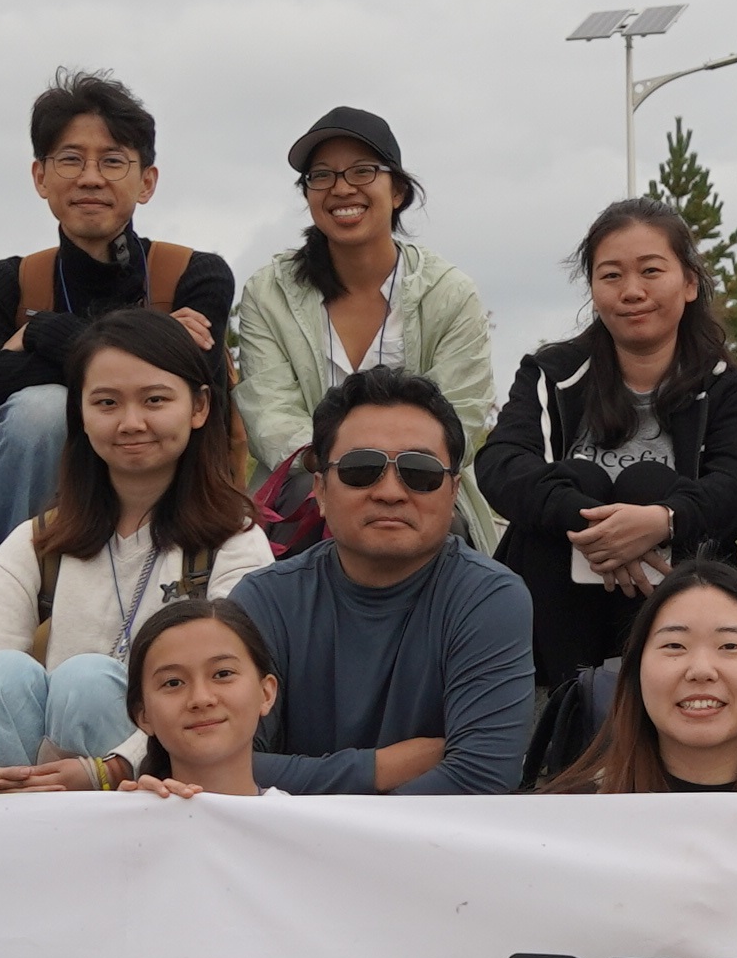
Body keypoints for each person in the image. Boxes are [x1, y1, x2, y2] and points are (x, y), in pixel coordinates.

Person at [0, 313, 269, 785]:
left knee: (88, 683)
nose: (131, 423)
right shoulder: (37, 541)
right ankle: (6, 819)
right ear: (81, 414)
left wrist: (109, 770)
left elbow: (237, 689)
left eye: (154, 400)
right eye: (107, 403)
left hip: (160, 781)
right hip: (21, 777)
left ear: (199, 407)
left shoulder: (234, 541)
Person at [482, 200, 737, 703]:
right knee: (580, 485)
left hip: (678, 592)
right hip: (557, 596)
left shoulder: (726, 386)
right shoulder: (551, 373)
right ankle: (562, 712)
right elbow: (501, 464)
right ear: (593, 290)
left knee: (649, 486)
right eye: (611, 275)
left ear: (689, 283)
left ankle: (644, 706)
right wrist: (595, 525)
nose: (632, 291)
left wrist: (661, 520)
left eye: (651, 271)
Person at [0, 72, 239, 554]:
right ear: (40, 177)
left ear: (147, 182)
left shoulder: (194, 274)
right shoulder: (10, 281)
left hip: (170, 503)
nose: (90, 177)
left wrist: (42, 331)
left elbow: (192, 383)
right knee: (37, 414)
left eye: (113, 161)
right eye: (71, 159)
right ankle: (3, 595)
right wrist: (153, 345)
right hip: (41, 507)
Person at [223, 367, 538, 795]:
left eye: (421, 472)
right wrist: (380, 768)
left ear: (453, 491)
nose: (390, 491)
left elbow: (481, 779)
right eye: (361, 468)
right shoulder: (263, 601)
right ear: (319, 488)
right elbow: (220, 764)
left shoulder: (489, 600)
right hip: (282, 855)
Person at [234, 107, 503, 543]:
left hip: (419, 480)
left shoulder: (450, 294)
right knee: (307, 498)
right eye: (321, 176)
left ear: (397, 190)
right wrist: (342, 470)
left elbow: (463, 416)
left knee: (437, 528)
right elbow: (269, 412)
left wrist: (390, 470)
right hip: (309, 480)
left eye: (362, 172)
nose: (341, 188)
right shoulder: (269, 293)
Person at [551, 566, 737, 796]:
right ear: (635, 673)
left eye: (730, 646)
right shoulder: (571, 823)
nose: (700, 670)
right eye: (674, 646)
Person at [114, 594, 286, 796]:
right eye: (173, 682)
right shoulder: (126, 822)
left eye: (223, 674)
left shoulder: (299, 824)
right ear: (142, 714)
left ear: (266, 693)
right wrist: (126, 821)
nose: (201, 699)